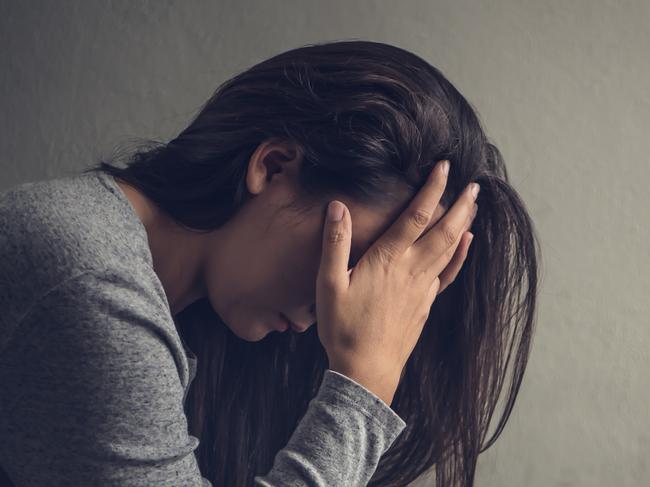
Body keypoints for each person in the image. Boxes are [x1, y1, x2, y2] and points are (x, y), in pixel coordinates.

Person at [0, 40, 540, 487]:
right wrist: (364, 382)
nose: (345, 306)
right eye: (354, 261)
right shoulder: (92, 283)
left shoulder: (172, 318)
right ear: (274, 165)